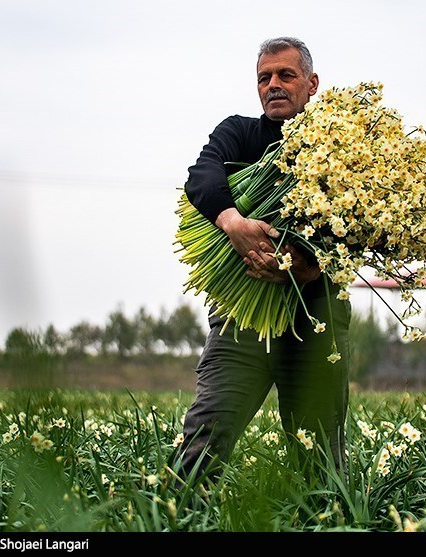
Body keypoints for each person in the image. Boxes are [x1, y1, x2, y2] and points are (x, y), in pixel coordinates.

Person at [176, 37, 352, 483]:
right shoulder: (240, 133)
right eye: (264, 77)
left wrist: (303, 268)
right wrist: (233, 223)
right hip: (240, 322)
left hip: (314, 319)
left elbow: (363, 238)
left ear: (312, 84)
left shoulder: (346, 153)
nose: (273, 84)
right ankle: (175, 516)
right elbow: (202, 175)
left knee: (320, 468)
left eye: (285, 75)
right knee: (202, 445)